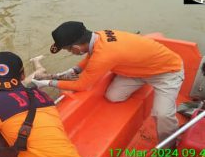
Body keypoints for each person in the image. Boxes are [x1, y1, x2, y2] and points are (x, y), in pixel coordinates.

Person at [31, 21, 184, 148]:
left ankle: (169, 146)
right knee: (113, 96)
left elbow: (81, 85)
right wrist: (75, 69)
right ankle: (142, 80)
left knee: (162, 114)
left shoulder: (105, 55)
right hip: (138, 71)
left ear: (76, 48)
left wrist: (47, 82)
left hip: (167, 72)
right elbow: (91, 54)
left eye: (68, 50)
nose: (70, 52)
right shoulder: (99, 35)